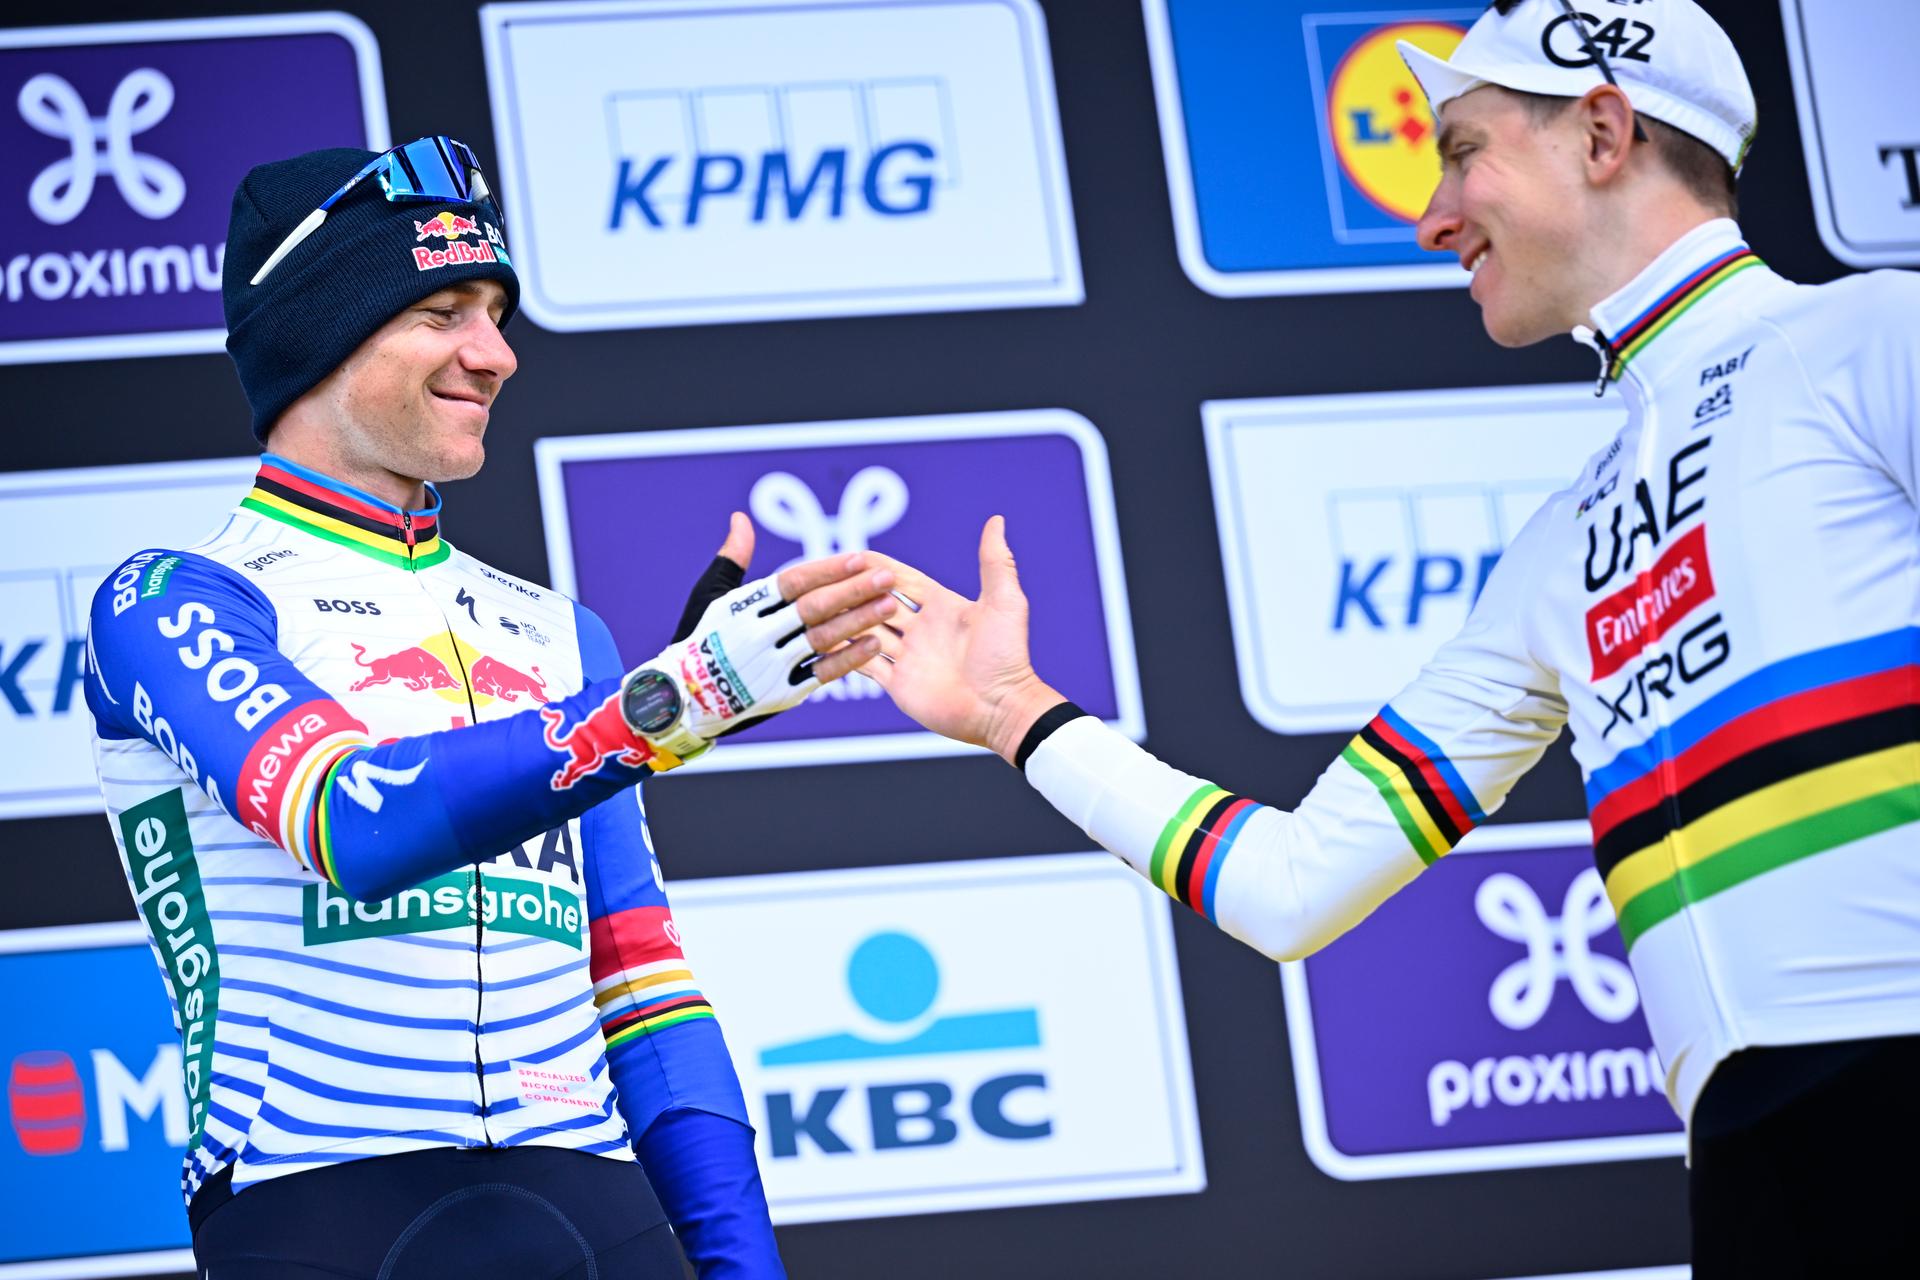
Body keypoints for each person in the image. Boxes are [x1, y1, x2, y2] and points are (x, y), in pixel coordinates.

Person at [862, 2, 1920, 1273]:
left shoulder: (1873, 344)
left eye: (1464, 151)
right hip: (1755, 1181)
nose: (1432, 216)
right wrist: (1012, 712)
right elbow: (1293, 883)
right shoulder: (1560, 547)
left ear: (1602, 130)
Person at [84, 137, 900, 1278]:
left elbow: (640, 979)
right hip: (324, 1206)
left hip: (593, 1210)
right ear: (322, 331)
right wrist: (672, 703)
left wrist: (737, 1258)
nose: (496, 353)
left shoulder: (564, 632)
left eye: (497, 311)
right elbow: (355, 821)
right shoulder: (170, 601)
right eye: (446, 311)